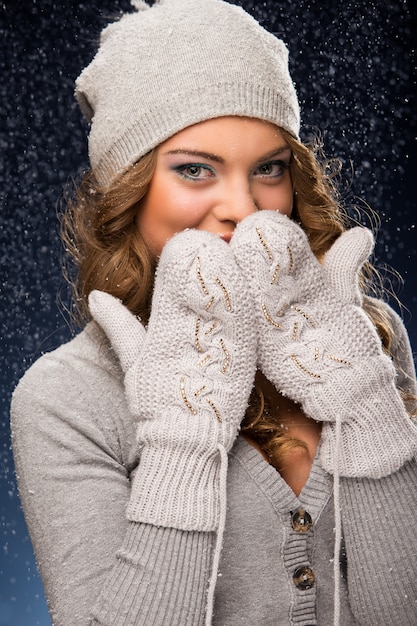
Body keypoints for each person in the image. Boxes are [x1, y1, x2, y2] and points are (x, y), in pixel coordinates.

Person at [10, 0, 417, 624]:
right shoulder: (64, 398)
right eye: (195, 170)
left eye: (268, 169)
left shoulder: (369, 337)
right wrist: (181, 437)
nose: (243, 206)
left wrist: (363, 399)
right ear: (128, 189)